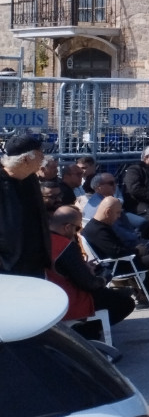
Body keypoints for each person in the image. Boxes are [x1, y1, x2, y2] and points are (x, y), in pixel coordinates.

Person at [46, 206, 135, 331]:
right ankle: (87, 332)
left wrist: (83, 267)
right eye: (77, 228)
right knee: (126, 303)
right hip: (69, 301)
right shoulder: (65, 246)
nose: (77, 232)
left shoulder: (40, 240)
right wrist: (103, 279)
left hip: (50, 299)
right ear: (67, 227)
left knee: (113, 294)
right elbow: (88, 284)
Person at [82, 196, 149, 308]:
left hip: (124, 258)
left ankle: (143, 290)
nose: (119, 216)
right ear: (108, 212)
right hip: (119, 264)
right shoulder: (98, 230)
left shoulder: (100, 225)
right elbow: (116, 252)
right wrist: (136, 250)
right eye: (117, 213)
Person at [0, 133, 52, 277]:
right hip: (8, 267)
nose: (44, 157)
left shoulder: (30, 179)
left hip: (34, 263)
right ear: (26, 159)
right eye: (40, 153)